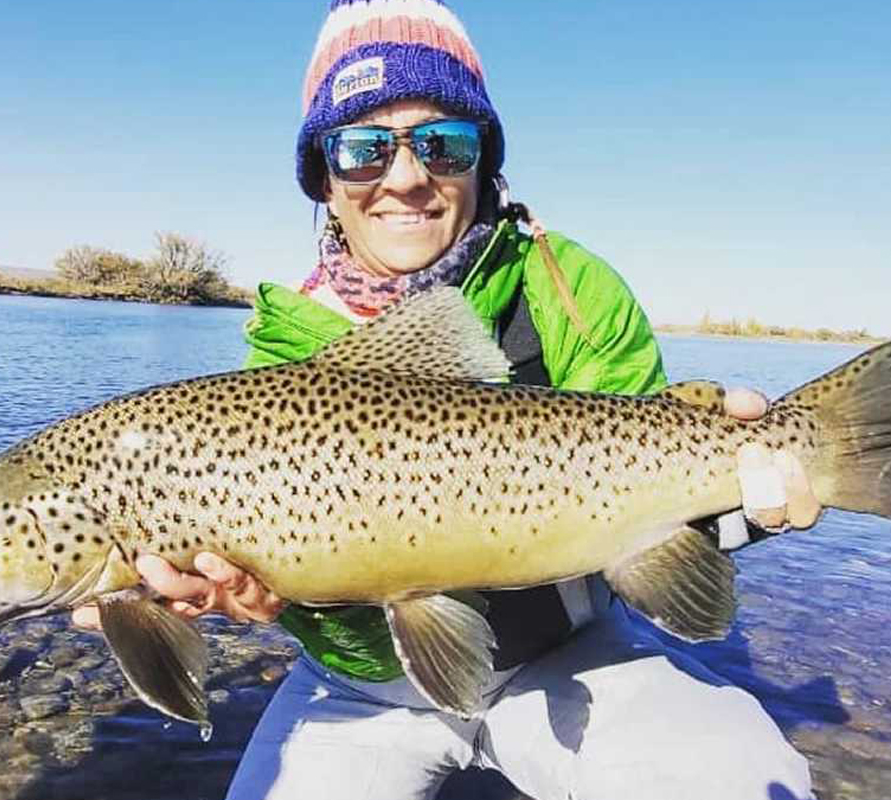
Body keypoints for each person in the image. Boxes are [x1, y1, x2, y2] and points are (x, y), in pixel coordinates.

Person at [78, 1, 820, 797]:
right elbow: (273, 581)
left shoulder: (573, 288)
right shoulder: (282, 350)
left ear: (484, 161)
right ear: (324, 181)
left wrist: (749, 505)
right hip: (360, 689)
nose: (405, 177)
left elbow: (665, 508)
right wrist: (262, 602)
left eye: (443, 142)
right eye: (362, 148)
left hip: (571, 658)